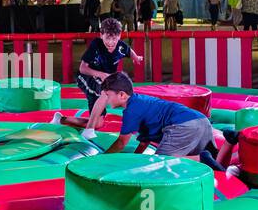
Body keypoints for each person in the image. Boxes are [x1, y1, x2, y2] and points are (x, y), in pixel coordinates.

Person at [90, 73, 223, 172]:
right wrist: (136, 160)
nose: (106, 100)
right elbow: (144, 140)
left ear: (122, 95)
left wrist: (101, 160)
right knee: (216, 161)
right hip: (202, 121)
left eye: (108, 95)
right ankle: (229, 144)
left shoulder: (131, 111)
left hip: (184, 125)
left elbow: (120, 143)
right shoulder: (141, 101)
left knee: (160, 162)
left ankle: (200, 158)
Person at [56, 17, 143, 128]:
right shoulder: (96, 45)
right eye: (107, 38)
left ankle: (61, 120)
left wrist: (136, 57)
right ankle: (89, 129)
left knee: (99, 124)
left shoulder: (121, 46)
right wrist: (101, 74)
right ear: (101, 35)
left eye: (114, 39)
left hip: (103, 80)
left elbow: (129, 51)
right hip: (86, 77)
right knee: (105, 92)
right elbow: (83, 68)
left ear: (119, 36)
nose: (110, 43)